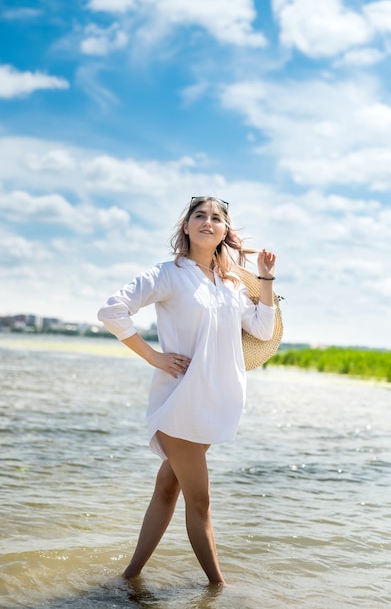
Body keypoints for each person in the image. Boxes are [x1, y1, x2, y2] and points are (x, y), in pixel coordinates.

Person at [97, 196, 277, 585]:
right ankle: (218, 587)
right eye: (200, 215)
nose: (208, 222)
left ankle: (129, 577)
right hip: (181, 401)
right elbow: (112, 311)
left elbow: (263, 330)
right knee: (201, 501)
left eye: (216, 218)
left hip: (216, 401)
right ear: (186, 226)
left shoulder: (231, 284)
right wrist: (153, 357)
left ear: (225, 230)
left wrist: (264, 278)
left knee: (167, 486)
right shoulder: (168, 273)